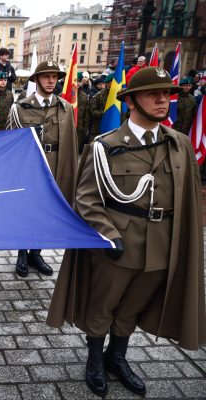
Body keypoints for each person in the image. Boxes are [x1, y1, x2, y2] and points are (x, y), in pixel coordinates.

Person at [47, 66, 206, 398]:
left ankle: (116, 357)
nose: (163, 100)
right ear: (131, 101)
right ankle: (94, 359)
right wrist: (108, 234)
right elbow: (86, 198)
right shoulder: (104, 146)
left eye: (168, 94)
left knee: (132, 307)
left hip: (162, 245)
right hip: (118, 244)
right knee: (103, 306)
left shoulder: (178, 144)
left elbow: (188, 197)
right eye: (154, 94)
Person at [7, 60, 78, 277]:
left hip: (55, 163)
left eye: (55, 77)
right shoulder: (20, 108)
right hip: (28, 168)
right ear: (36, 79)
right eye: (46, 76)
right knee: (24, 209)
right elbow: (11, 142)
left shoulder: (65, 108)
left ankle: (36, 253)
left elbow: (71, 143)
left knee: (48, 210)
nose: (51, 81)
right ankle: (21, 252)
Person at [88, 74, 116, 139]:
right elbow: (92, 111)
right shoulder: (99, 95)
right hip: (99, 128)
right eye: (113, 82)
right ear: (108, 83)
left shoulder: (119, 94)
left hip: (116, 127)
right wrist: (104, 114)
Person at [77, 72, 91, 152]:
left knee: (76, 149)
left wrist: (85, 129)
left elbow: (86, 114)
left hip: (79, 128)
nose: (77, 83)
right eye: (75, 81)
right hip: (66, 128)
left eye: (79, 81)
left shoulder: (84, 96)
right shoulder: (64, 95)